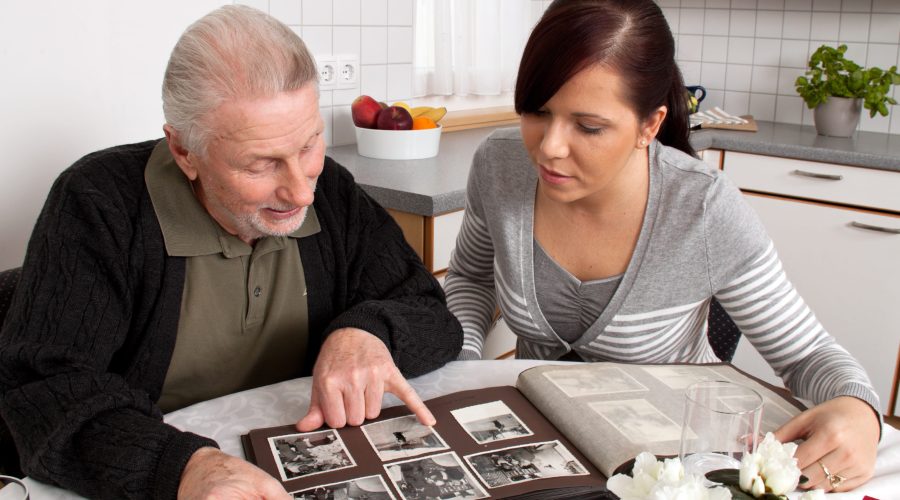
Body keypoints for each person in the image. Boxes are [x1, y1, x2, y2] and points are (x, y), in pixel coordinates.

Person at [0, 5, 462, 499]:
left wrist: (367, 332)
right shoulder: (97, 204)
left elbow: (433, 315)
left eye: (309, 146)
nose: (302, 195)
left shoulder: (332, 194)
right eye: (260, 164)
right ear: (184, 153)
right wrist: (182, 468)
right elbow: (44, 392)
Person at [444, 0, 880, 494]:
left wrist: (859, 410)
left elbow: (807, 355)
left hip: (668, 472)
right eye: (537, 112)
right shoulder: (499, 166)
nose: (549, 147)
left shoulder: (702, 209)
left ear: (649, 125)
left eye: (588, 127)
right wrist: (465, 366)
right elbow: (470, 278)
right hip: (535, 454)